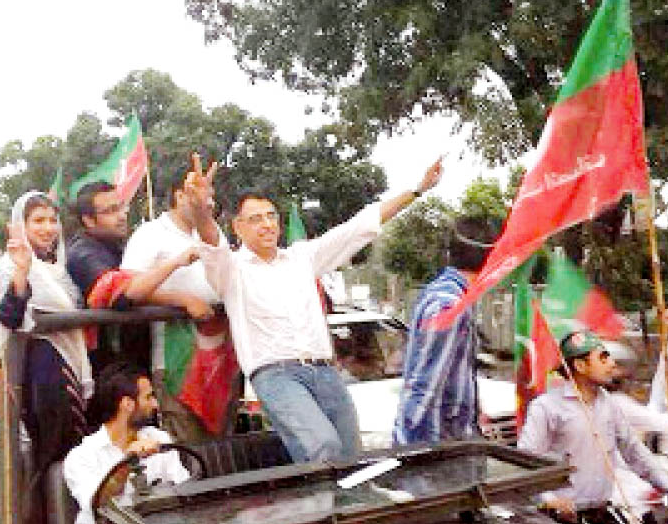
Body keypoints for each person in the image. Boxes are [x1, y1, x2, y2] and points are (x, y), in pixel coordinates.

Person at [190, 156, 445, 463]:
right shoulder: (231, 269)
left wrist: (417, 190)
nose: (267, 224)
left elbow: (359, 227)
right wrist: (201, 209)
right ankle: (320, 511)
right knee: (322, 448)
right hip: (276, 376)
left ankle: (349, 512)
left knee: (351, 458)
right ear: (238, 227)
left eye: (271, 215)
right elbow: (211, 240)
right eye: (256, 219)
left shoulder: (302, 258)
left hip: (325, 371)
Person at [0, 191, 93, 524]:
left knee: (75, 451)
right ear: (21, 225)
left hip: (71, 366)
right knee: (53, 454)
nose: (48, 228)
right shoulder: (11, 264)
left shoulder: (58, 269)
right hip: (44, 372)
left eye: (52, 220)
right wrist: (22, 272)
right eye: (38, 220)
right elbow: (9, 316)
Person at [518, 330, 668, 524]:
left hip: (601, 514)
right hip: (559, 522)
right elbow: (525, 462)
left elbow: (634, 452)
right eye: (603, 358)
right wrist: (549, 499)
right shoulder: (546, 408)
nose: (611, 364)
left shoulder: (609, 403)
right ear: (580, 366)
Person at [122, 155, 239, 442]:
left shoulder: (212, 232)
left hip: (220, 357)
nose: (207, 203)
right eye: (199, 195)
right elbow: (127, 290)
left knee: (222, 449)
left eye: (210, 196)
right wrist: (181, 300)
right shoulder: (150, 234)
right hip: (178, 362)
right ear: (179, 195)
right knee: (190, 450)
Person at [56, 361, 189, 524]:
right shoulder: (81, 458)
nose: (156, 404)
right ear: (127, 404)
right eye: (149, 397)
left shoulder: (159, 439)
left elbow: (187, 494)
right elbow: (100, 506)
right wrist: (127, 464)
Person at [66, 182, 210, 379]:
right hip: (107, 369)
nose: (122, 215)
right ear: (89, 220)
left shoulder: (116, 246)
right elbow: (124, 293)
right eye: (111, 211)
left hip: (133, 360)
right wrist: (182, 293)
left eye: (122, 206)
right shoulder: (84, 255)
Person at [392, 216, 500, 446]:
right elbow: (427, 382)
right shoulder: (448, 304)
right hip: (435, 445)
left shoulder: (459, 298)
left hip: (451, 437)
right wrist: (410, 448)